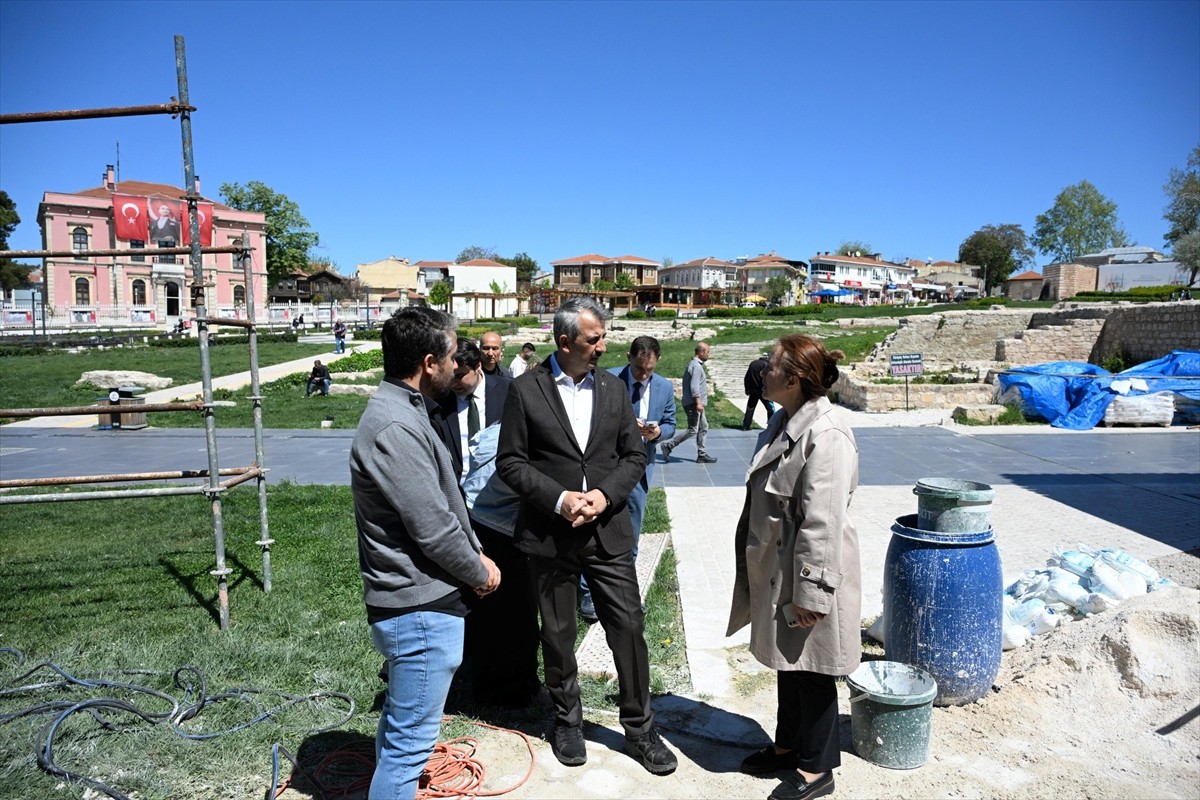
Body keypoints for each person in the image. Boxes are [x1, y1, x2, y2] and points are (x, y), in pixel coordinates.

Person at [496, 297, 677, 775]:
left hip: (607, 533)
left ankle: (639, 728)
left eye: (603, 338)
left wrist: (602, 496)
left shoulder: (614, 389)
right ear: (564, 341)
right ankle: (568, 722)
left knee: (629, 628)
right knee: (557, 634)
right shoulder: (524, 389)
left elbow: (633, 457)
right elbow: (510, 462)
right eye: (594, 339)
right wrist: (559, 499)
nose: (604, 345)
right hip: (550, 537)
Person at [349, 306, 501, 799]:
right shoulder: (396, 425)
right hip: (416, 609)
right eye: (454, 357)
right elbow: (432, 527)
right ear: (429, 361)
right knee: (410, 747)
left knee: (401, 731)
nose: (460, 367)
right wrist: (477, 569)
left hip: (419, 604)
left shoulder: (407, 411)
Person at [727, 334, 861, 800]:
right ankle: (787, 746)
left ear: (797, 379)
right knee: (792, 661)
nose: (765, 369)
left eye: (774, 364)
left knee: (815, 668)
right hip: (783, 566)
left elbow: (822, 523)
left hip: (809, 570)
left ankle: (817, 767)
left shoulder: (827, 434)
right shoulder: (785, 420)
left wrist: (812, 593)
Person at [577, 335, 676, 622]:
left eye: (649, 370)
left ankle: (624, 593)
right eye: (639, 369)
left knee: (629, 535)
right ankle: (588, 593)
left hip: (638, 470)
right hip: (604, 468)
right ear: (628, 357)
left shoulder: (664, 387)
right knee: (594, 533)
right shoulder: (607, 380)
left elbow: (671, 422)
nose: (644, 375)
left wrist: (657, 433)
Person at [660, 342, 717, 464]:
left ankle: (702, 454)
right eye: (707, 352)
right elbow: (694, 387)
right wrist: (698, 403)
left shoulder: (695, 365)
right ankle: (668, 445)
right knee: (692, 429)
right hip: (693, 403)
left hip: (695, 403)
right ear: (701, 352)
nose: (708, 355)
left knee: (703, 426)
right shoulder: (695, 366)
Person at [742, 352, 777, 431]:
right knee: (770, 409)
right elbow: (768, 379)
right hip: (763, 391)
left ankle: (746, 425)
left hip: (753, 391)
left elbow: (747, 377)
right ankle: (771, 426)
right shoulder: (766, 365)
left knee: (750, 408)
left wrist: (747, 389)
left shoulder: (753, 364)